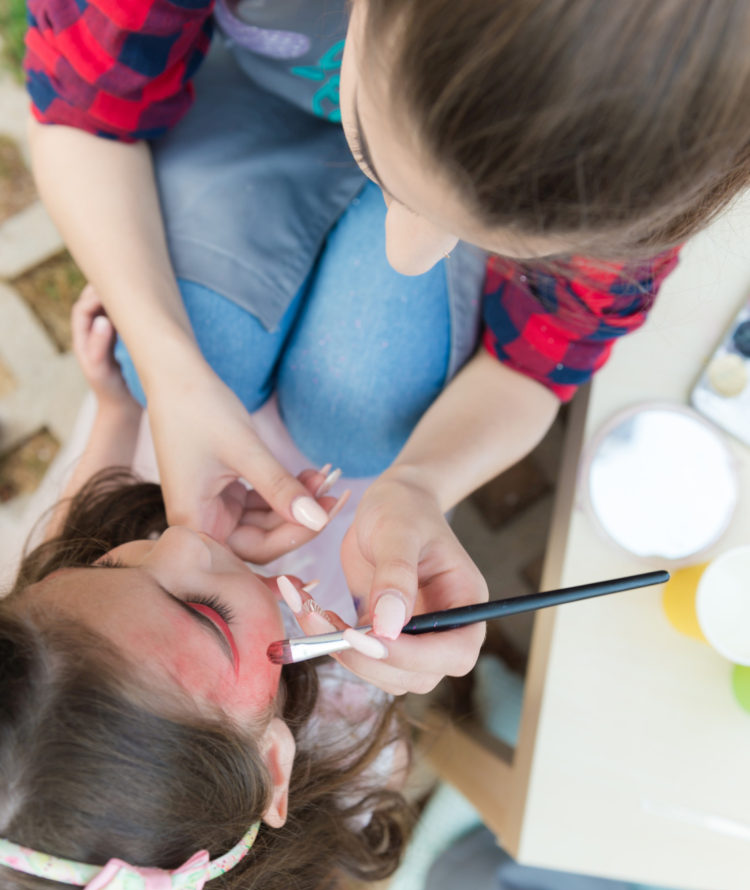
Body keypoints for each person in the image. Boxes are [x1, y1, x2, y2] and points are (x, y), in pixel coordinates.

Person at [22, 0, 750, 694]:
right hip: (250, 101)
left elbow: (539, 363)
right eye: (381, 163)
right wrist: (171, 374)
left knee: (357, 419)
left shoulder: (646, 149)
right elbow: (78, 116)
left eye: (500, 244)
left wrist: (422, 483)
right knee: (179, 363)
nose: (408, 256)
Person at [0, 277, 409, 890]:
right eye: (205, 615)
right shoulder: (351, 739)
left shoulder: (67, 639)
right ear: (271, 769)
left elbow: (70, 528)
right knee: (359, 385)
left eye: (106, 563)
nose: (177, 542)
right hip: (378, 478)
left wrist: (117, 408)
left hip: (186, 435)